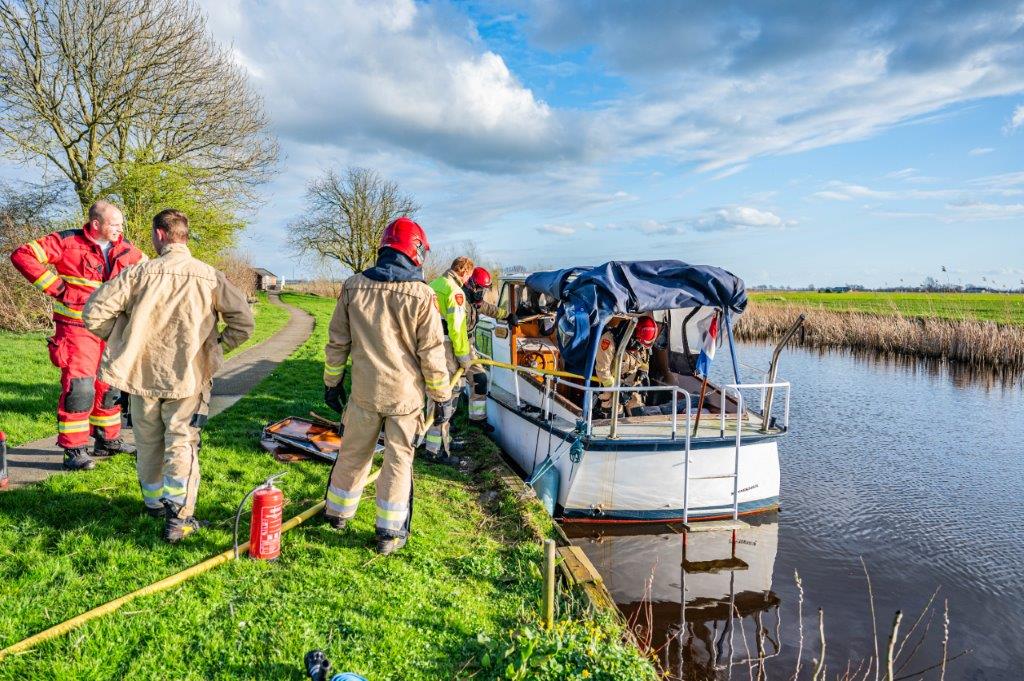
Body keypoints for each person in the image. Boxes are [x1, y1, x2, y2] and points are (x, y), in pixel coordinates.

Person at [82, 209, 253, 543]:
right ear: (184, 235)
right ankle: (179, 515)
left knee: (147, 442)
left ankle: (153, 503)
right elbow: (244, 323)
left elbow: (93, 313)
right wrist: (215, 348)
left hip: (141, 374)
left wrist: (122, 339)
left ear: (160, 234)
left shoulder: (138, 273)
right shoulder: (210, 276)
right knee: (182, 441)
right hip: (188, 377)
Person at [322, 216, 451, 555]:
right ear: (416, 252)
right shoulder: (422, 295)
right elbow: (432, 354)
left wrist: (332, 383)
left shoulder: (353, 286)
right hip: (405, 399)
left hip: (364, 394)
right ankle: (388, 533)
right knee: (398, 462)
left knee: (352, 454)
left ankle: (337, 514)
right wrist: (441, 397)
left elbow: (337, 342)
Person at [9, 200, 146, 471]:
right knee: (80, 388)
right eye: (114, 224)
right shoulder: (67, 242)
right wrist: (58, 288)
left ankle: (107, 440)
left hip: (111, 329)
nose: (120, 228)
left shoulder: (126, 249)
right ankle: (74, 449)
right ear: (96, 224)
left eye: (121, 224)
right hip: (76, 329)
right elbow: (22, 255)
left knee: (110, 387)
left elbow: (151, 270)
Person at [422, 256, 475, 462]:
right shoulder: (455, 292)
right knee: (446, 398)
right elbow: (458, 330)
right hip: (446, 350)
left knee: (432, 396)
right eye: (469, 275)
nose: (469, 279)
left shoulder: (434, 284)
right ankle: (437, 451)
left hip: (429, 346)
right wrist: (464, 359)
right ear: (463, 271)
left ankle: (439, 441)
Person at [462, 266, 507, 431]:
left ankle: (477, 419)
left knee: (480, 379)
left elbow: (487, 308)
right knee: (450, 389)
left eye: (484, 289)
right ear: (471, 283)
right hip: (453, 348)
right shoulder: (460, 299)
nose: (481, 292)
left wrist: (507, 315)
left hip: (467, 347)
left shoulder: (474, 300)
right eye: (480, 288)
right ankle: (446, 424)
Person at [594, 317, 658, 418]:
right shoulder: (609, 340)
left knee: (638, 415)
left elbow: (644, 359)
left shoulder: (641, 343)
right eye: (640, 343)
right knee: (615, 418)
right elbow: (602, 370)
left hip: (632, 386)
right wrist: (617, 390)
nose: (641, 346)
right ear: (633, 335)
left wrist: (643, 371)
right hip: (612, 387)